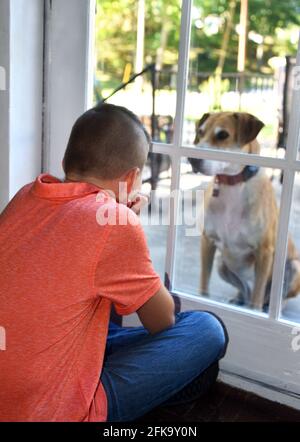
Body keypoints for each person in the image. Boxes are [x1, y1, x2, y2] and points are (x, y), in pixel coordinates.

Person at [0, 103, 228, 422]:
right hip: (53, 411)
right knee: (207, 330)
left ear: (66, 160)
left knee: (98, 302)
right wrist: (126, 223)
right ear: (132, 177)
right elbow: (163, 321)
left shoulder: (27, 194)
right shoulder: (114, 224)